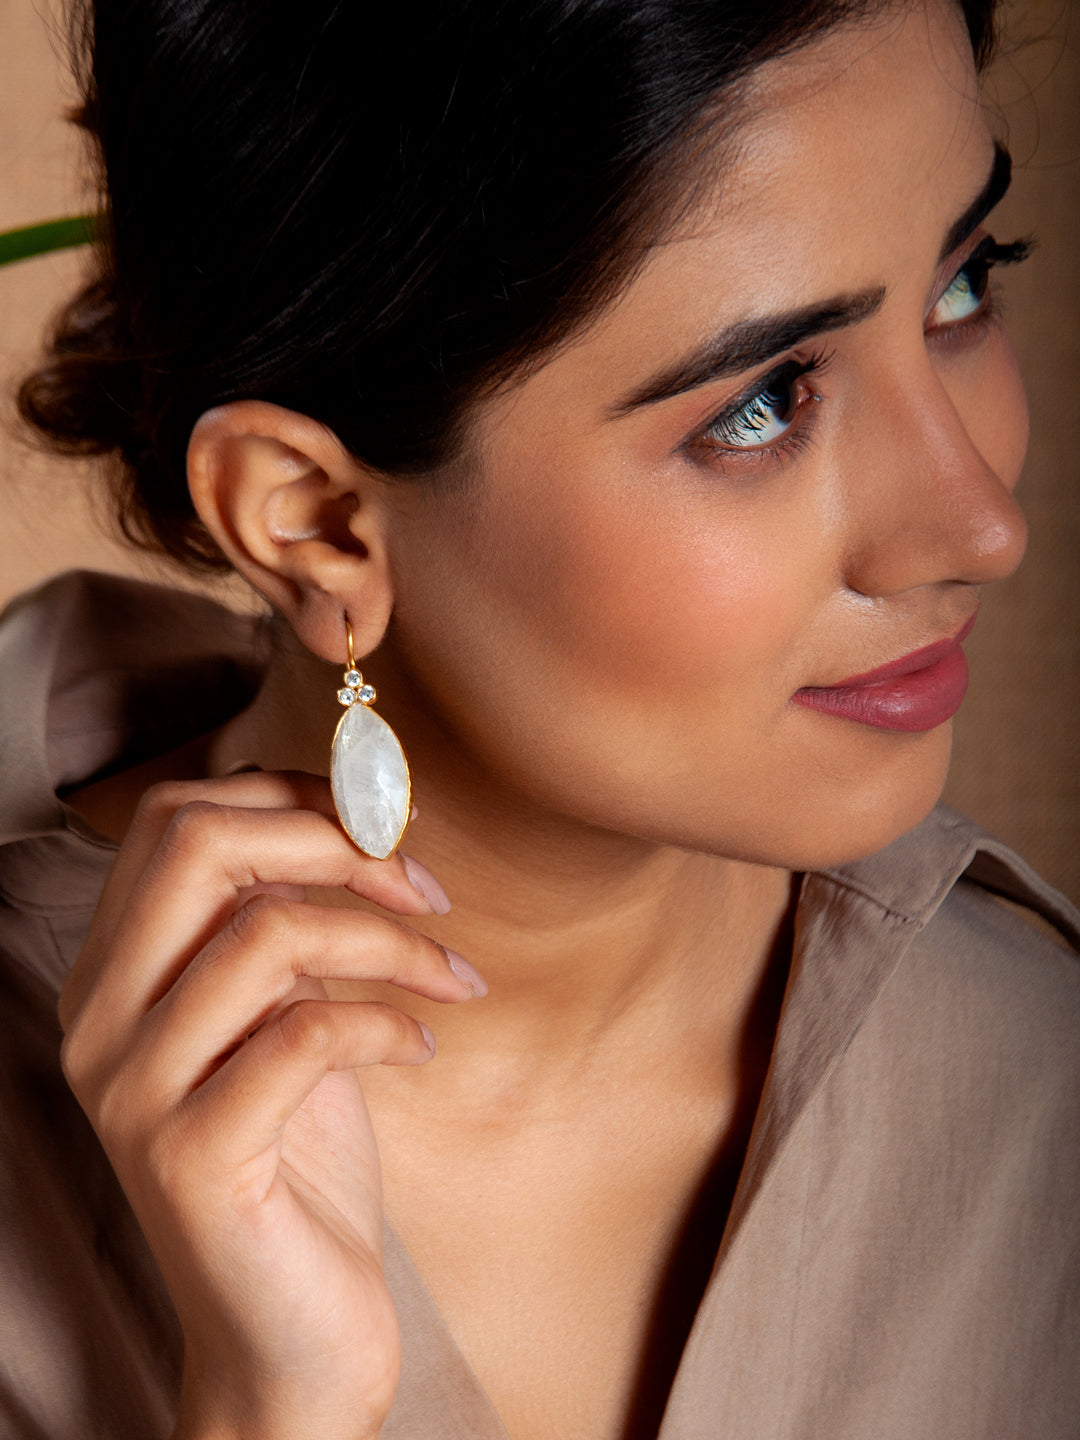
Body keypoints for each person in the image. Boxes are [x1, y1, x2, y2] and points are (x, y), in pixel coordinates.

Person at [1, 0, 1077, 1436]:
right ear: (318, 525)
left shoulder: (1037, 1088)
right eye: (762, 406)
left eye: (961, 288)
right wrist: (271, 1410)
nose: (982, 524)